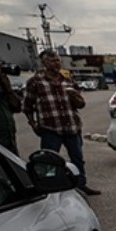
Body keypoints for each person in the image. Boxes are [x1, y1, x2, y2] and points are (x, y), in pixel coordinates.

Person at [23, 49, 100, 195]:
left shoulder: (67, 80)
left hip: (72, 127)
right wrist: (33, 124)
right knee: (49, 160)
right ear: (44, 63)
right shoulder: (35, 82)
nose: (56, 63)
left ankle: (81, 185)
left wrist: (75, 96)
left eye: (58, 60)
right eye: (52, 61)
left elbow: (81, 104)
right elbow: (27, 106)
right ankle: (51, 188)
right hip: (50, 128)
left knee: (77, 159)